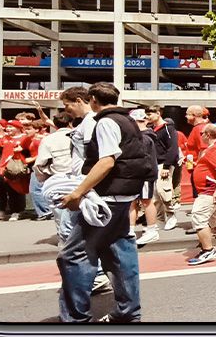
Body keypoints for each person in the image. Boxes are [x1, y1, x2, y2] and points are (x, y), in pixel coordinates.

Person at [57, 82, 155, 323]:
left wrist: (78, 193)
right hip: (123, 197)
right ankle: (128, 312)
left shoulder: (105, 122)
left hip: (106, 198)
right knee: (119, 253)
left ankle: (76, 318)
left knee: (73, 255)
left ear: (91, 100)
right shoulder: (128, 120)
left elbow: (107, 161)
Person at [185, 123, 216, 265]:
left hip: (210, 190)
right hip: (211, 189)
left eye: (202, 134)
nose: (201, 136)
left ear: (208, 135)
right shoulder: (212, 149)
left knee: (198, 217)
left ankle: (207, 250)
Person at [144, 104, 181, 232]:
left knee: (163, 190)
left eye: (150, 114)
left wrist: (167, 165)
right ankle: (160, 218)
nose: (147, 117)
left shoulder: (167, 129)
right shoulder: (152, 129)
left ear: (158, 113)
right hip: (153, 163)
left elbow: (172, 148)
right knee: (154, 193)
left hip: (163, 164)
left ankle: (170, 214)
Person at [128, 108, 161, 247]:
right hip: (139, 174)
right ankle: (130, 229)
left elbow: (143, 158)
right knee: (134, 201)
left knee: (146, 200)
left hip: (144, 174)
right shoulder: (145, 136)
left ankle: (152, 229)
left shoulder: (144, 137)